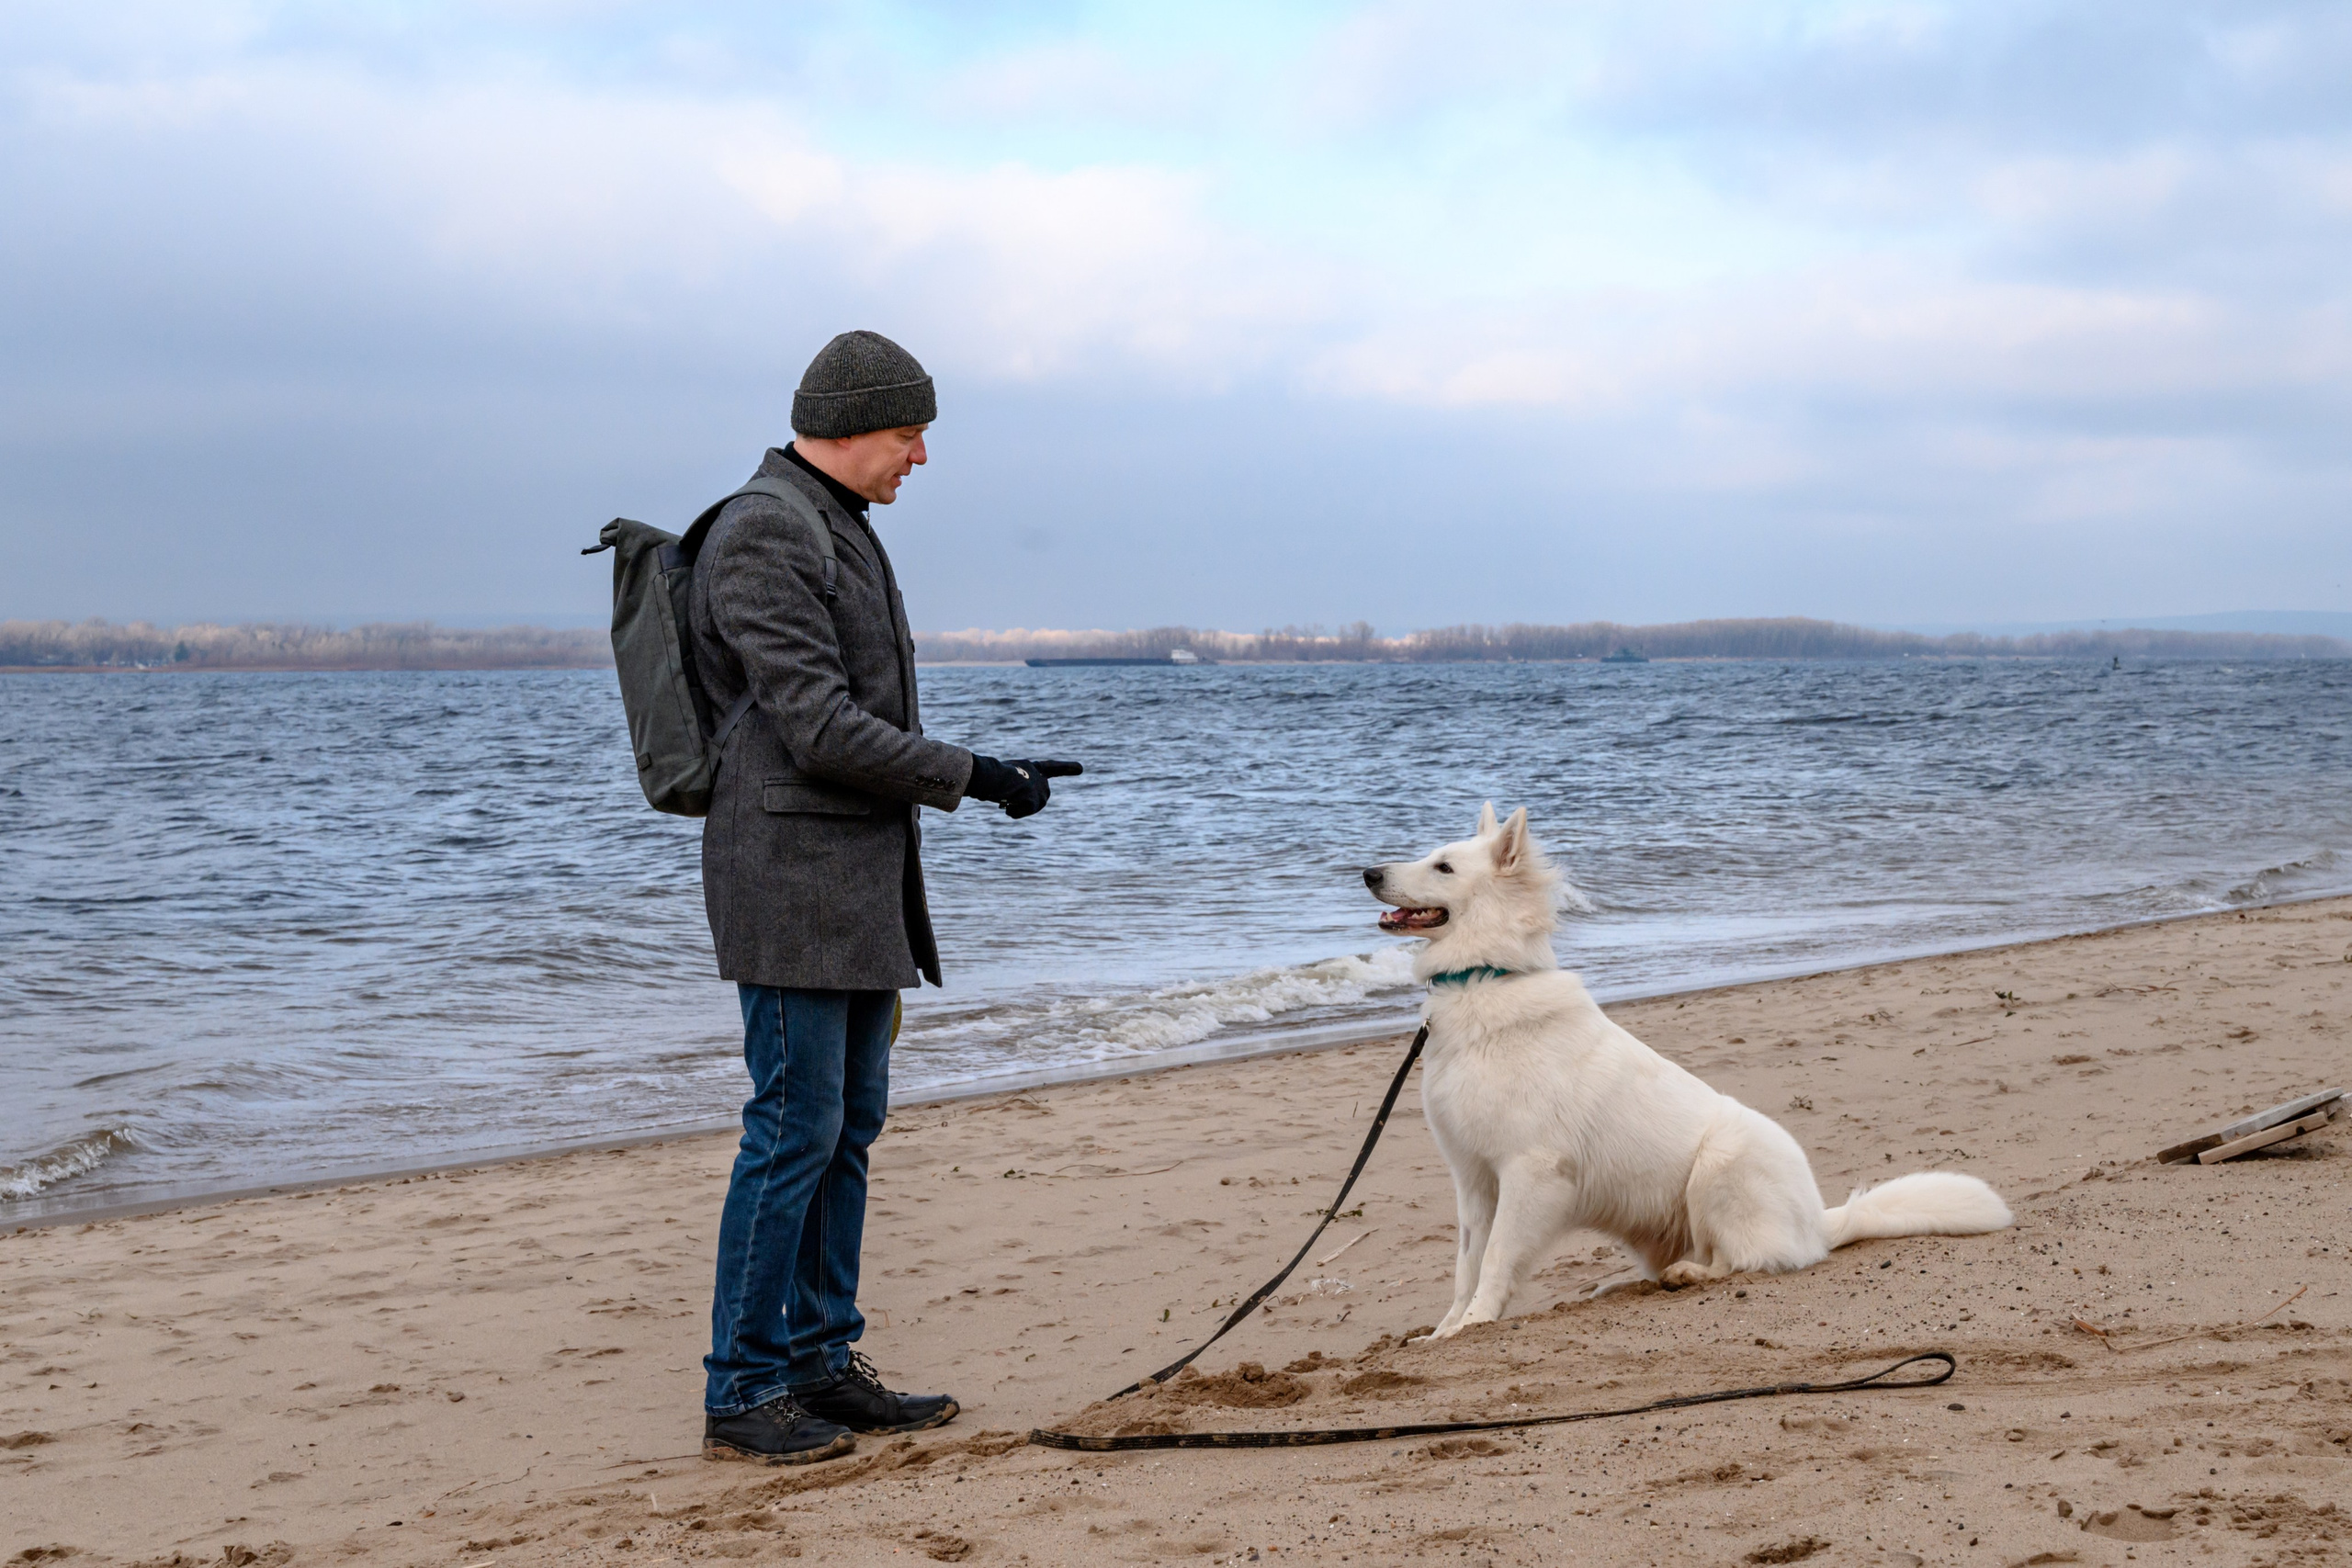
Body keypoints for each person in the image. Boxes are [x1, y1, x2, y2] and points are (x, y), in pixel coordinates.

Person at [687, 330, 1080, 1466]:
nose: (918, 457)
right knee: (792, 1130)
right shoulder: (765, 526)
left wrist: (979, 772)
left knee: (844, 1127)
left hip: (854, 883)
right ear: (853, 424)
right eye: (910, 435)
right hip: (792, 885)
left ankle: (818, 1361)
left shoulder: (833, 523)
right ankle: (744, 1388)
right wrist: (983, 777)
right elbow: (814, 728)